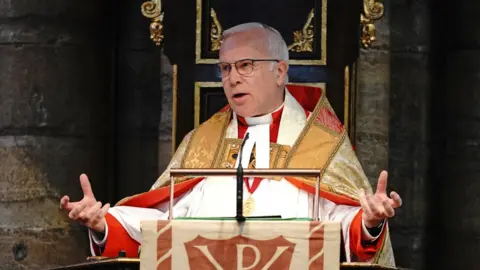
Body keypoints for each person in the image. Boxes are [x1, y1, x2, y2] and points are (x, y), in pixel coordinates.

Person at [60, 22, 402, 266]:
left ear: (281, 71)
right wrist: (104, 223)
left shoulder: (320, 143)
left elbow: (344, 224)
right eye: (225, 68)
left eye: (246, 65)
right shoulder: (202, 142)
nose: (232, 78)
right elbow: (161, 222)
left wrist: (369, 222)